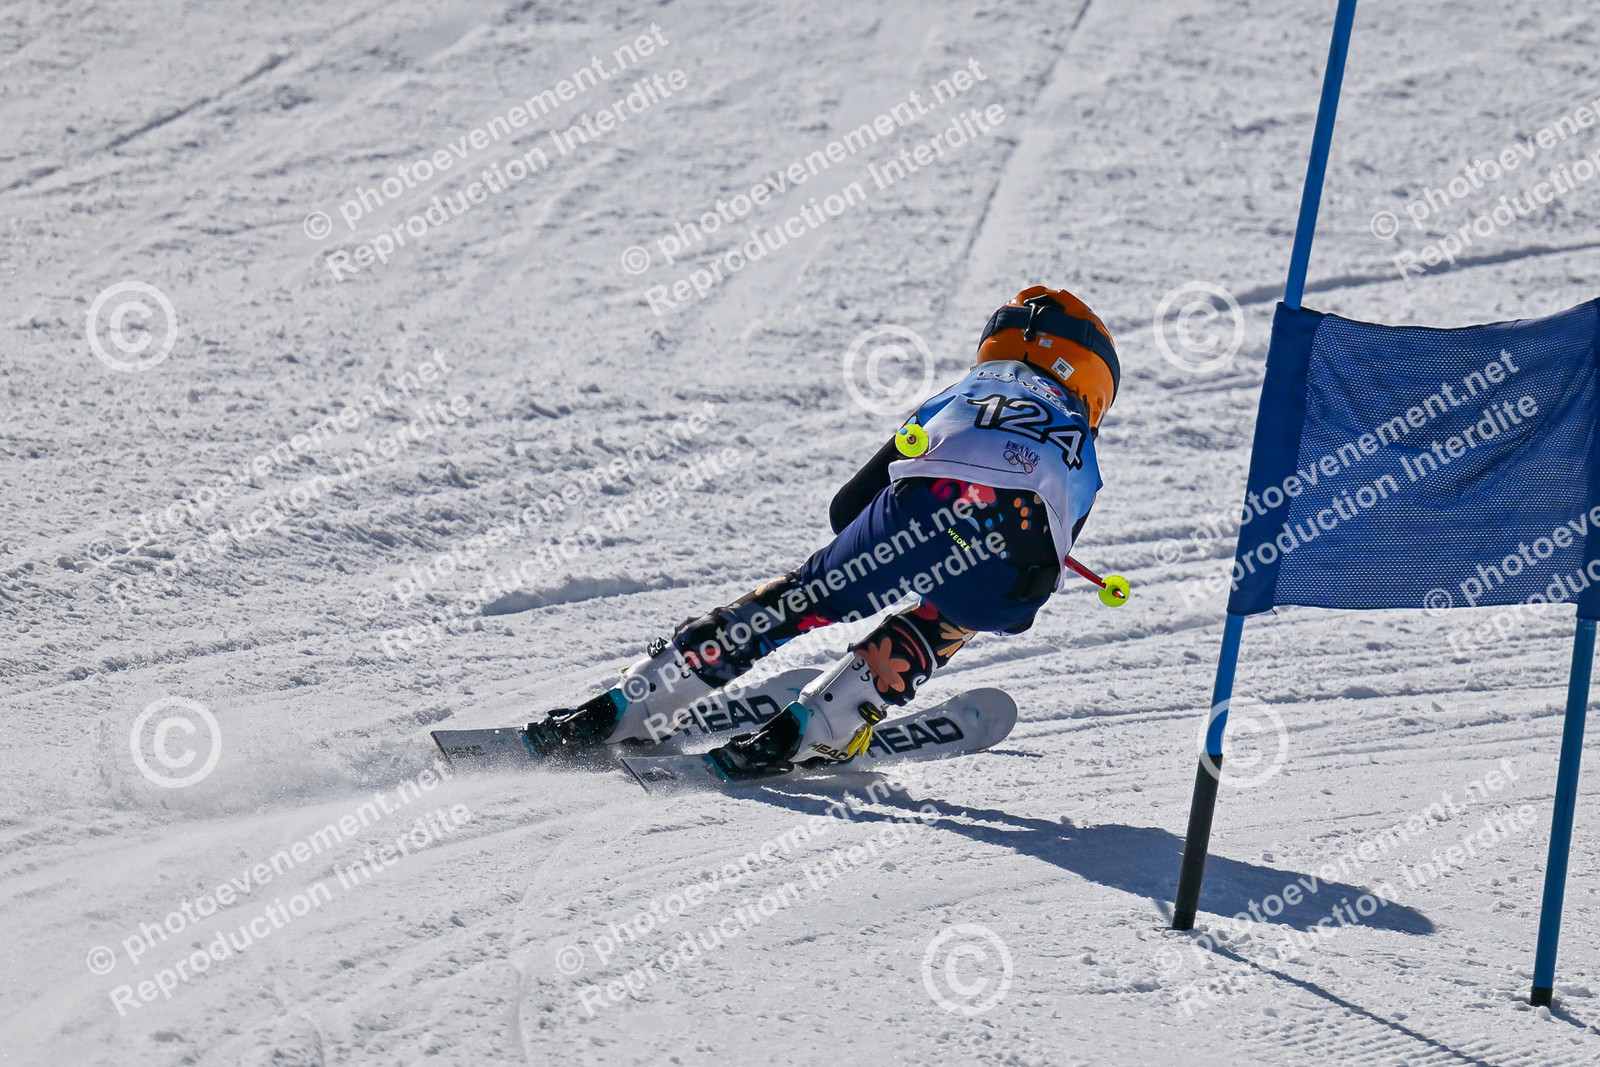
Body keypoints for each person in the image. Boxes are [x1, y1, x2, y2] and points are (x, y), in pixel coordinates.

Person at [528, 285, 1119, 778]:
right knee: (958, 613)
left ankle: (639, 700)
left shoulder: (961, 394)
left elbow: (847, 509)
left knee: (804, 598)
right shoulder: (1079, 444)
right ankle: (828, 721)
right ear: (1093, 380)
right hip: (1005, 557)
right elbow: (1040, 572)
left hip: (917, 507)